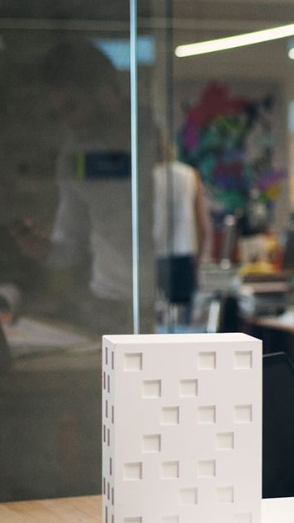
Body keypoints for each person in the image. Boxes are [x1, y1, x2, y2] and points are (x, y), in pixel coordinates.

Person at [14, 39, 136, 336]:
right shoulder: (73, 157)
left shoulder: (153, 135)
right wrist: (43, 249)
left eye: (72, 106)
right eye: (58, 112)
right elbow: (70, 247)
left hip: (169, 298)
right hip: (111, 303)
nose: (67, 121)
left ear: (105, 94)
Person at [154, 127, 209, 324]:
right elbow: (203, 226)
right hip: (184, 254)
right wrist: (198, 261)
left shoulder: (145, 176)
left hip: (152, 254)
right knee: (181, 326)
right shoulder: (189, 175)